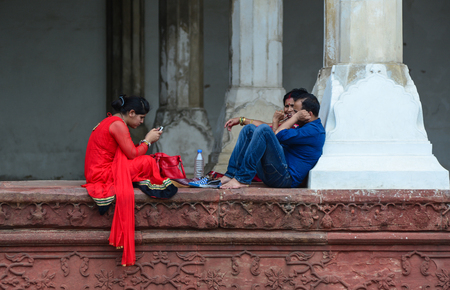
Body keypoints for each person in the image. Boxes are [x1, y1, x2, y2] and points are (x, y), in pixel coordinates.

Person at [82, 94, 177, 266]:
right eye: (141, 117)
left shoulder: (111, 120)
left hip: (97, 171)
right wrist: (147, 141)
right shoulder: (118, 125)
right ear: (131, 113)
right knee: (148, 161)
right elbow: (132, 154)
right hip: (102, 174)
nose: (141, 122)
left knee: (146, 161)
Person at [220, 89, 325, 189]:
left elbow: (279, 134)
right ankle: (231, 174)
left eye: (296, 112)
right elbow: (276, 140)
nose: (292, 113)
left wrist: (295, 118)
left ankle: (242, 179)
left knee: (264, 130)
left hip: (285, 179)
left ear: (309, 114)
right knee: (249, 129)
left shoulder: (313, 131)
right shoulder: (304, 127)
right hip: (276, 174)